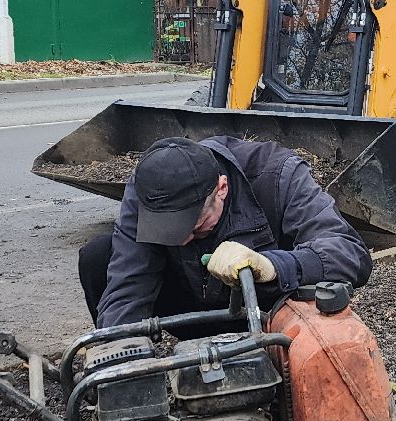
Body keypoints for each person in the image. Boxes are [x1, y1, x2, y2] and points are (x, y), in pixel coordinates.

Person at [79, 136, 373, 334]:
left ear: (222, 189)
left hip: (263, 314)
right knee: (97, 257)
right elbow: (127, 285)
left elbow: (350, 254)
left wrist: (271, 266)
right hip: (190, 309)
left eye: (194, 226)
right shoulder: (150, 189)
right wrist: (118, 355)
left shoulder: (277, 174)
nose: (181, 241)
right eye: (168, 232)